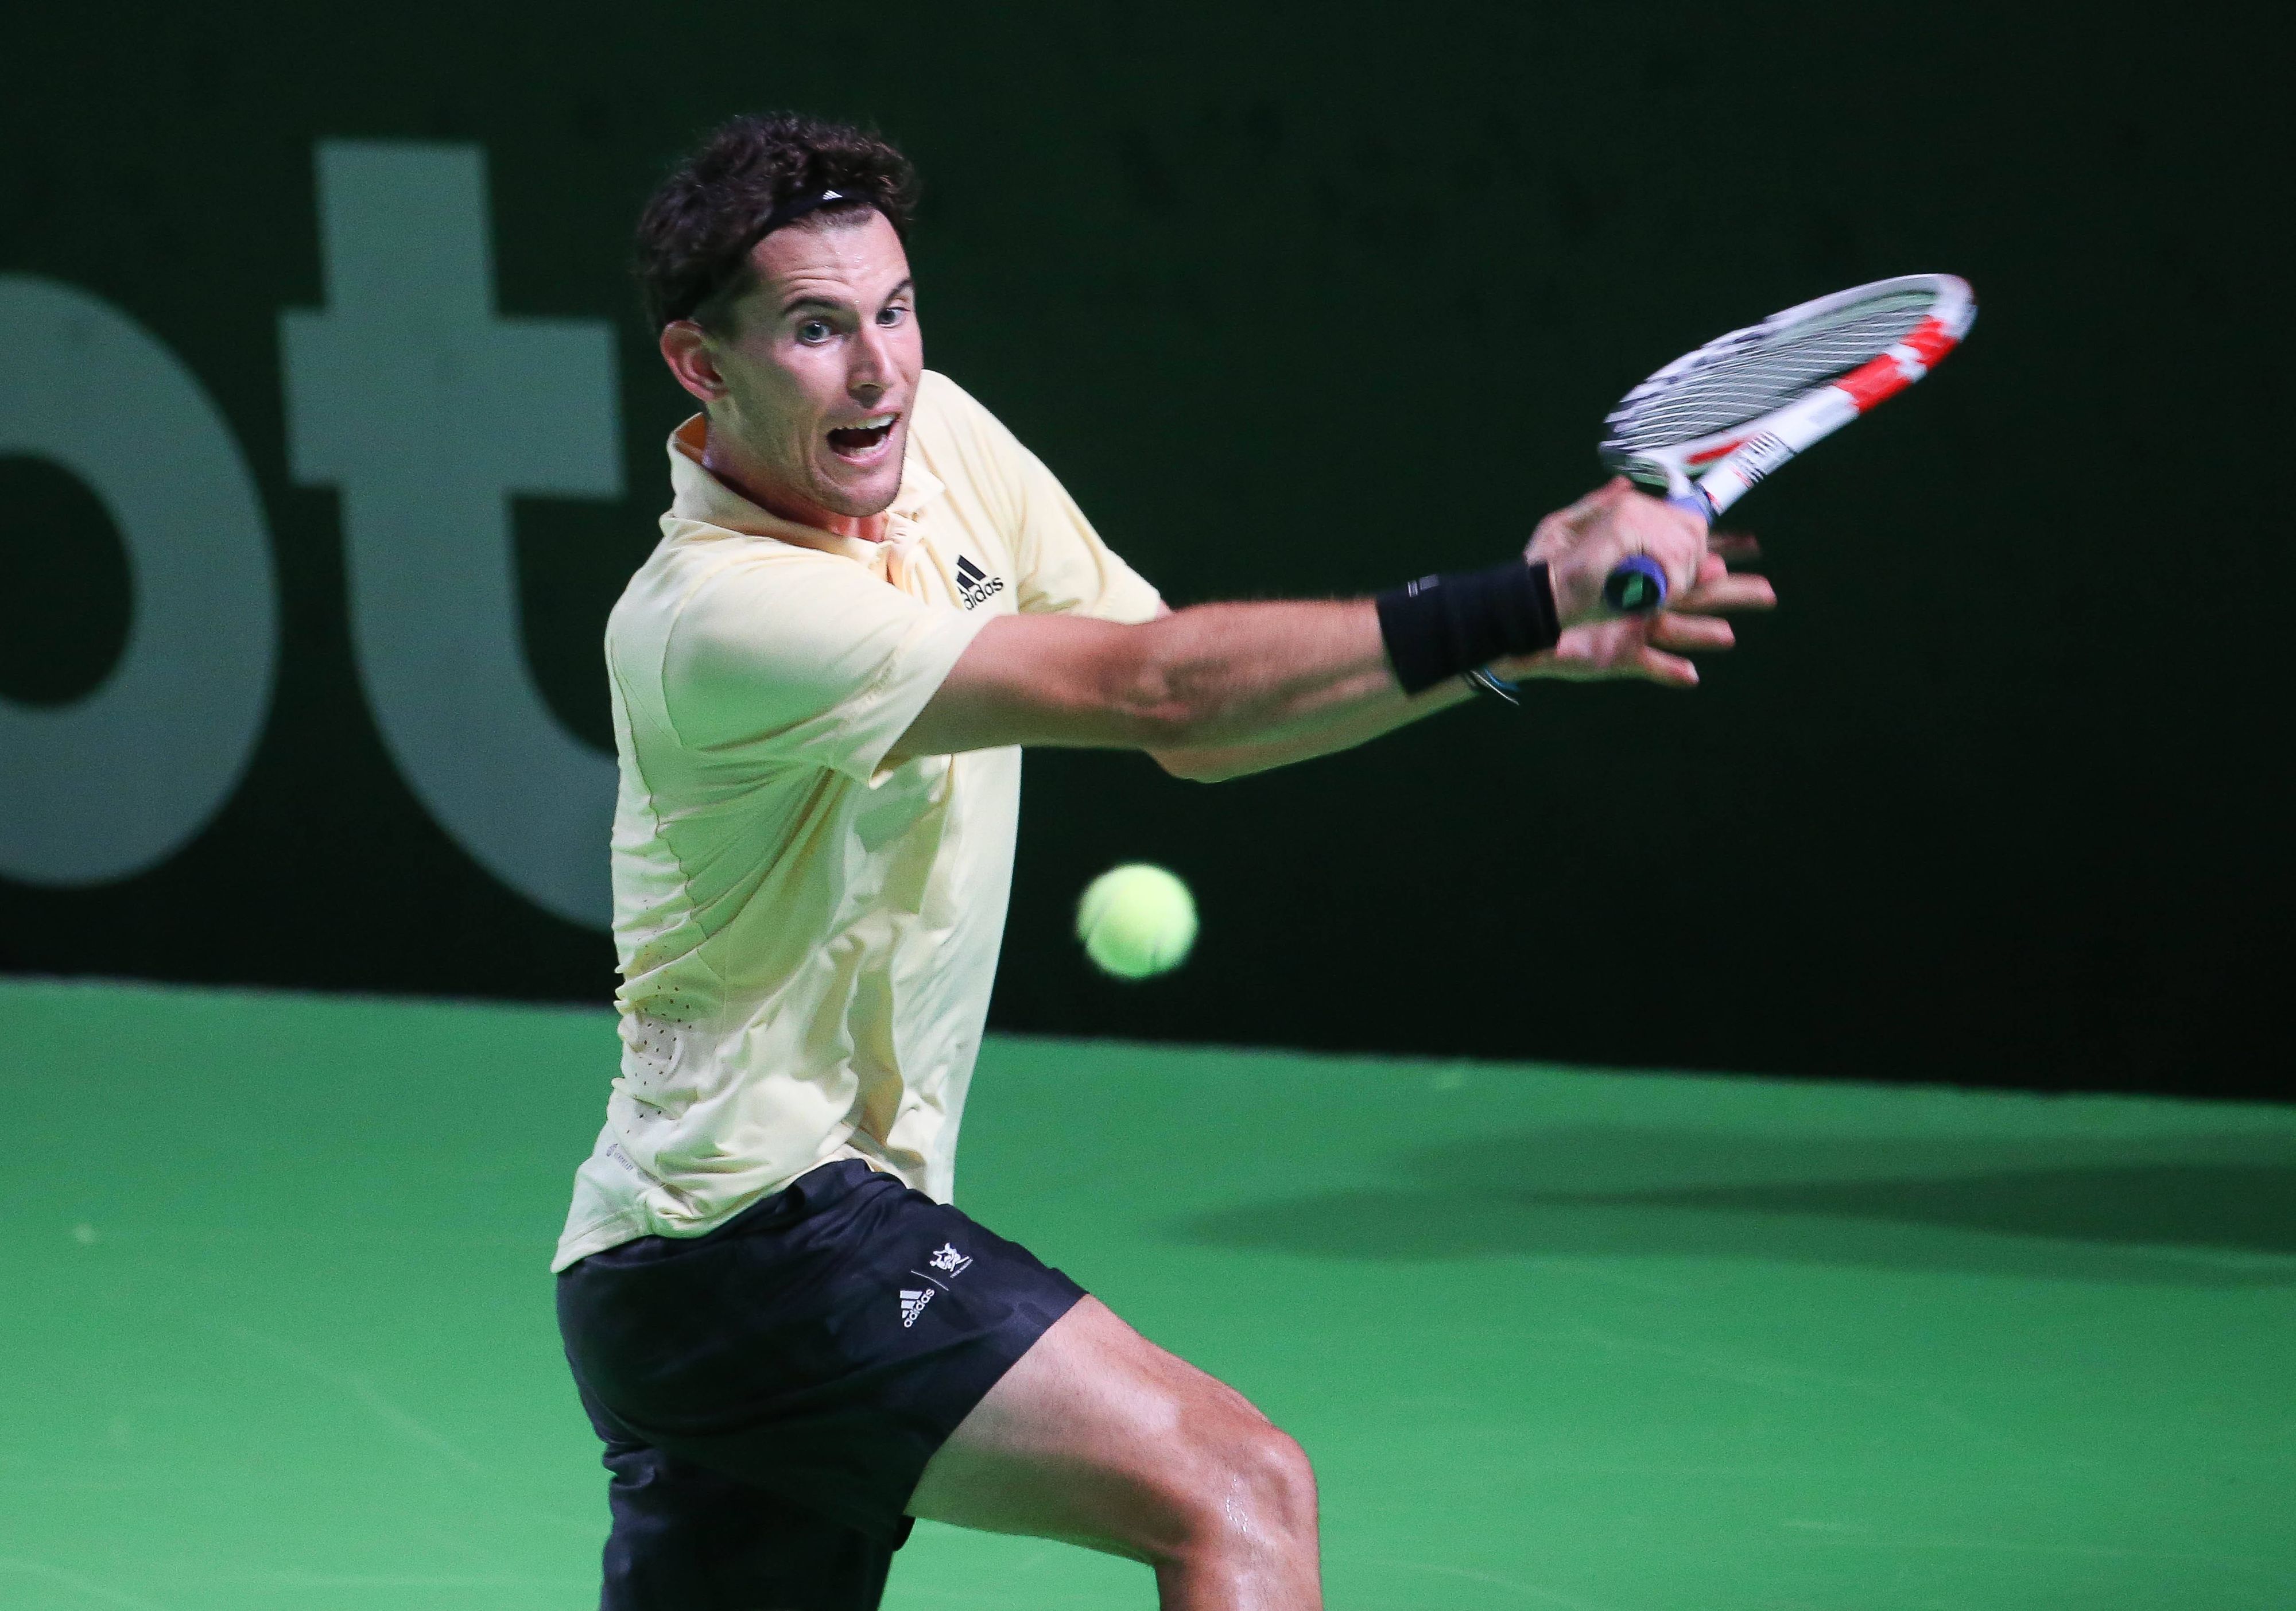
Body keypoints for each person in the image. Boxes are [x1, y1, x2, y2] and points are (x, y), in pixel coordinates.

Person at [551, 111, 1773, 1611]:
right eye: (815, 330)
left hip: (682, 1273)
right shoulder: (715, 620)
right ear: (701, 364)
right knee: (1237, 1488)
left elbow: (1197, 727)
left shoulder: (941, 450)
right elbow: (1160, 693)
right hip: (752, 1235)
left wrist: (1514, 653)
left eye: (896, 310)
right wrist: (1514, 601)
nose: (879, 370)